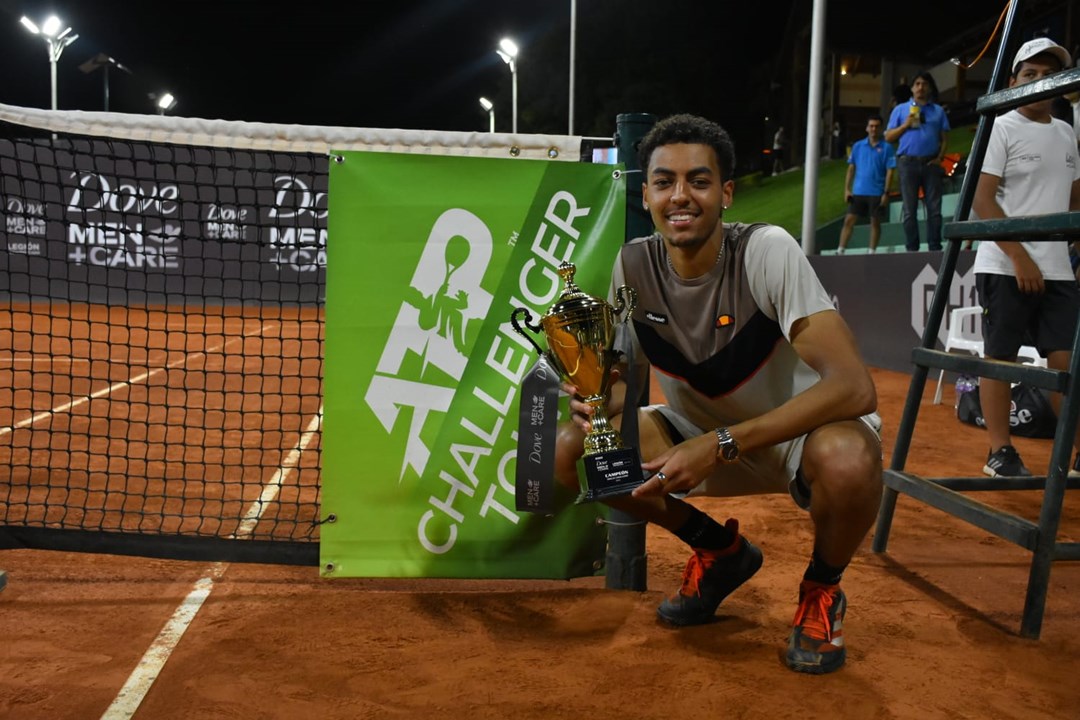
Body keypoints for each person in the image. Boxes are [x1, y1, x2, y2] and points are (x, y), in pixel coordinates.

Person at [554, 114, 883, 674]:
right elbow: (624, 387)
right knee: (576, 453)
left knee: (850, 459)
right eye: (664, 182)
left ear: (726, 193)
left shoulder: (767, 251)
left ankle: (821, 590)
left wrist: (722, 442)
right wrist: (594, 400)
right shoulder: (632, 264)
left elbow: (855, 387)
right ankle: (720, 551)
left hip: (801, 441)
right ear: (647, 192)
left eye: (698, 181)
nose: (680, 196)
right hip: (699, 439)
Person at [970, 37, 1080, 477]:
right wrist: (1020, 256)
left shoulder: (1067, 131)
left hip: (1057, 269)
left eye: (1048, 75)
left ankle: (1077, 453)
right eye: (1029, 74)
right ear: (1013, 81)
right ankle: (1000, 452)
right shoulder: (1000, 126)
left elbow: (1073, 198)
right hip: (1006, 264)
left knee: (1066, 365)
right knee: (1001, 357)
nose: (1038, 82)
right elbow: (982, 201)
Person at [885, 72, 951, 252]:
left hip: (931, 164)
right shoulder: (900, 110)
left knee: (934, 209)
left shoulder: (937, 111)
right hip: (908, 163)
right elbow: (889, 137)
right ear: (912, 89)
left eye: (924, 84)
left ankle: (935, 247)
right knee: (909, 210)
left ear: (929, 88)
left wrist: (939, 158)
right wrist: (905, 125)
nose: (921, 87)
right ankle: (912, 249)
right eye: (917, 84)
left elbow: (944, 138)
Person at [837, 115, 897, 254]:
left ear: (881, 128)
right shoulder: (858, 146)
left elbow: (890, 171)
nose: (873, 129)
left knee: (875, 222)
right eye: (871, 126)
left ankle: (872, 251)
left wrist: (886, 193)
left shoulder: (887, 148)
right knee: (849, 220)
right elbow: (851, 168)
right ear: (867, 128)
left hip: (876, 191)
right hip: (859, 191)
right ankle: (840, 250)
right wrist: (847, 189)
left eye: (876, 126)